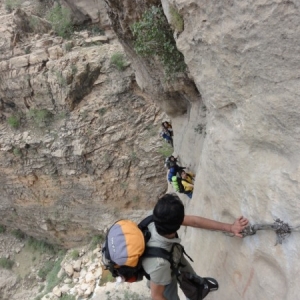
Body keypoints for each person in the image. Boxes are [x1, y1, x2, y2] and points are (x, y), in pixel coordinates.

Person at [142, 193, 248, 300]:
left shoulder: (158, 217)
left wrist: (230, 227)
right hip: (161, 274)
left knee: (189, 273)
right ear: (178, 225)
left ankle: (199, 288)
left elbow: (195, 222)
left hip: (170, 253)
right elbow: (156, 296)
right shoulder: (160, 265)